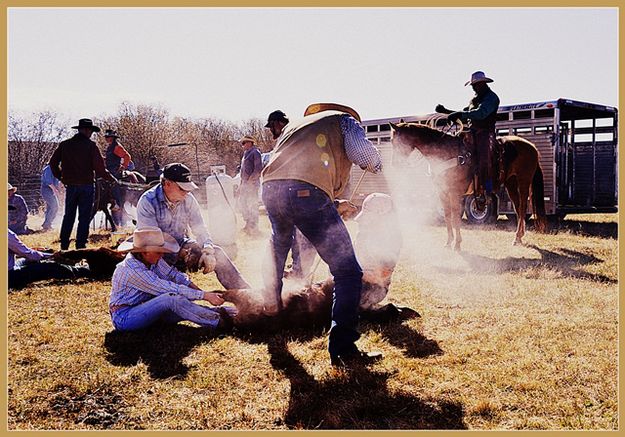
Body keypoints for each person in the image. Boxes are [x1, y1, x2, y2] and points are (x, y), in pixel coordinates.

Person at [261, 103, 383, 367]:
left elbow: (289, 169)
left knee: (279, 247)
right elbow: (365, 156)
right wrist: (377, 162)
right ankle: (343, 349)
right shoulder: (344, 120)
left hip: (270, 190)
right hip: (306, 193)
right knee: (348, 272)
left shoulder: (295, 127)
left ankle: (271, 310)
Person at [135, 162, 250, 289]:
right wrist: (180, 252)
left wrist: (207, 250)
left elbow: (200, 228)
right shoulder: (148, 201)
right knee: (173, 296)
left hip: (180, 245)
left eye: (188, 188)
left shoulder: (188, 199)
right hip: (156, 254)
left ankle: (245, 294)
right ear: (167, 183)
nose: (186, 193)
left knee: (218, 252)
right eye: (182, 188)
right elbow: (151, 241)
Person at [109, 227, 238, 332]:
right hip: (125, 317)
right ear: (144, 252)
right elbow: (167, 288)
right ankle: (220, 323)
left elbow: (174, 275)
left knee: (185, 307)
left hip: (147, 308)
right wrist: (204, 296)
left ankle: (233, 314)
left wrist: (200, 292)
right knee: (172, 299)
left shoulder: (152, 260)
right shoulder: (131, 270)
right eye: (158, 252)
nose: (162, 255)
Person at [49, 118, 119, 250]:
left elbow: (53, 163)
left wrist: (62, 178)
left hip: (71, 186)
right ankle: (80, 246)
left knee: (68, 215)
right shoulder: (91, 146)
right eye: (91, 131)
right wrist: (111, 178)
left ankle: (64, 245)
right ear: (86, 131)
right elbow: (100, 169)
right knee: (84, 217)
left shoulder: (65, 145)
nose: (91, 133)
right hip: (86, 186)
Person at [435, 71, 501, 209]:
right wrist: (447, 111)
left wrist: (459, 114)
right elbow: (465, 114)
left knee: (484, 160)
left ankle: (487, 190)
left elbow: (480, 113)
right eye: (472, 85)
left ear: (483, 84)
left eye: (475, 85)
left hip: (485, 134)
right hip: (472, 133)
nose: (473, 88)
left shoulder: (491, 98)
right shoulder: (473, 100)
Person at [263, 110, 316, 280]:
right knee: (290, 235)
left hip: (296, 193)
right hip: (286, 194)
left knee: (302, 234)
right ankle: (294, 271)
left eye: (271, 126)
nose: (271, 131)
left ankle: (298, 273)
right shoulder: (287, 138)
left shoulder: (291, 136)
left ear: (277, 123)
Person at [8, 206, 91, 289]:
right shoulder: (7, 234)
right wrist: (50, 255)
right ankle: (85, 271)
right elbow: (29, 255)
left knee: (27, 261)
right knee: (50, 267)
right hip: (10, 277)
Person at [103, 129, 132, 213]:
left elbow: (127, 156)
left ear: (112, 138)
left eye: (108, 137)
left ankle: (118, 204)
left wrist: (123, 166)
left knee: (113, 183)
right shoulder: (110, 147)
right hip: (109, 169)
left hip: (114, 170)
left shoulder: (116, 147)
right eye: (106, 137)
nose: (106, 138)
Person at [238, 135, 262, 235]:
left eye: (244, 143)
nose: (242, 145)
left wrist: (250, 182)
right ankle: (248, 223)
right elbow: (243, 171)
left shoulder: (255, 153)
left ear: (249, 143)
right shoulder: (245, 154)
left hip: (251, 184)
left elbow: (258, 169)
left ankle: (253, 226)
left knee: (252, 204)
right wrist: (241, 185)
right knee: (243, 203)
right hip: (244, 183)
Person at [40, 164, 63, 231]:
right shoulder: (48, 169)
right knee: (54, 206)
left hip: (51, 190)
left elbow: (57, 181)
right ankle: (47, 224)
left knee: (50, 207)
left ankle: (47, 224)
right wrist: (55, 190)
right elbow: (48, 181)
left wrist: (59, 190)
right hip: (46, 190)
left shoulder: (56, 169)